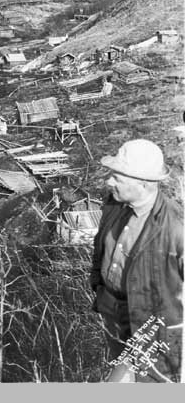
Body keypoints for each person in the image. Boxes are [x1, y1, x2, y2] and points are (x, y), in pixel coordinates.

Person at [91, 139, 183, 382]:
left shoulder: (175, 228)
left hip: (152, 327)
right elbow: (99, 248)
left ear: (143, 184)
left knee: (149, 384)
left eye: (118, 178)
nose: (109, 182)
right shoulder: (114, 205)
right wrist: (98, 287)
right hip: (113, 312)